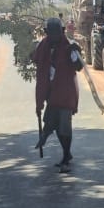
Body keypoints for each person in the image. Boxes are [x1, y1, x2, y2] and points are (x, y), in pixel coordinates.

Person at [32, 17, 84, 173]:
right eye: (51, 33)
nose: (54, 37)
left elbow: (78, 66)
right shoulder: (42, 47)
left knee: (64, 128)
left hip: (66, 93)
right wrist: (39, 103)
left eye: (57, 33)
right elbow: (40, 75)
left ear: (61, 32)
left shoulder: (69, 46)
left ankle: (66, 158)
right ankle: (66, 154)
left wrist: (77, 52)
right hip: (52, 95)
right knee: (52, 123)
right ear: (46, 33)